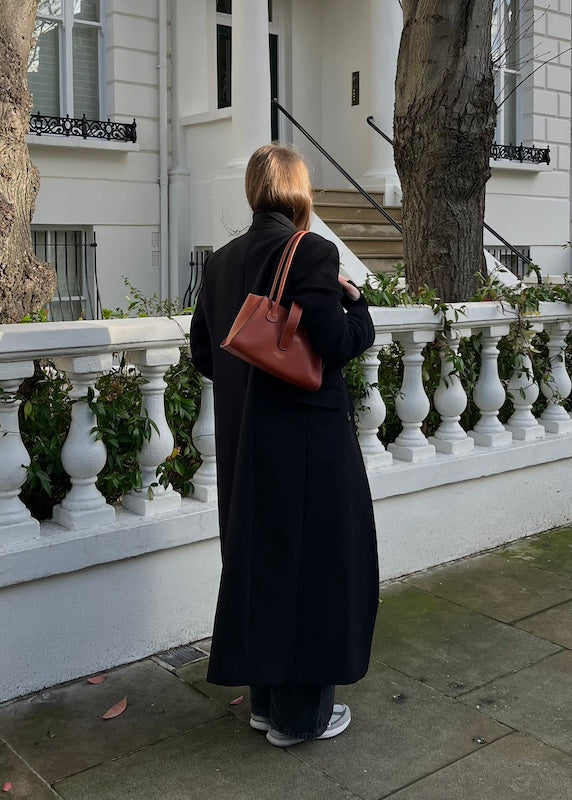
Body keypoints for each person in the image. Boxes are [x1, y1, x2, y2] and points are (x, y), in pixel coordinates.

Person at [190, 143, 379, 747]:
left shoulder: (219, 262)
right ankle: (300, 721)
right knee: (316, 567)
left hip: (247, 442)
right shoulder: (313, 252)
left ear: (253, 191)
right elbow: (338, 342)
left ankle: (267, 706)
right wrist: (359, 306)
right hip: (308, 444)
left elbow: (205, 352)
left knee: (263, 564)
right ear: (299, 192)